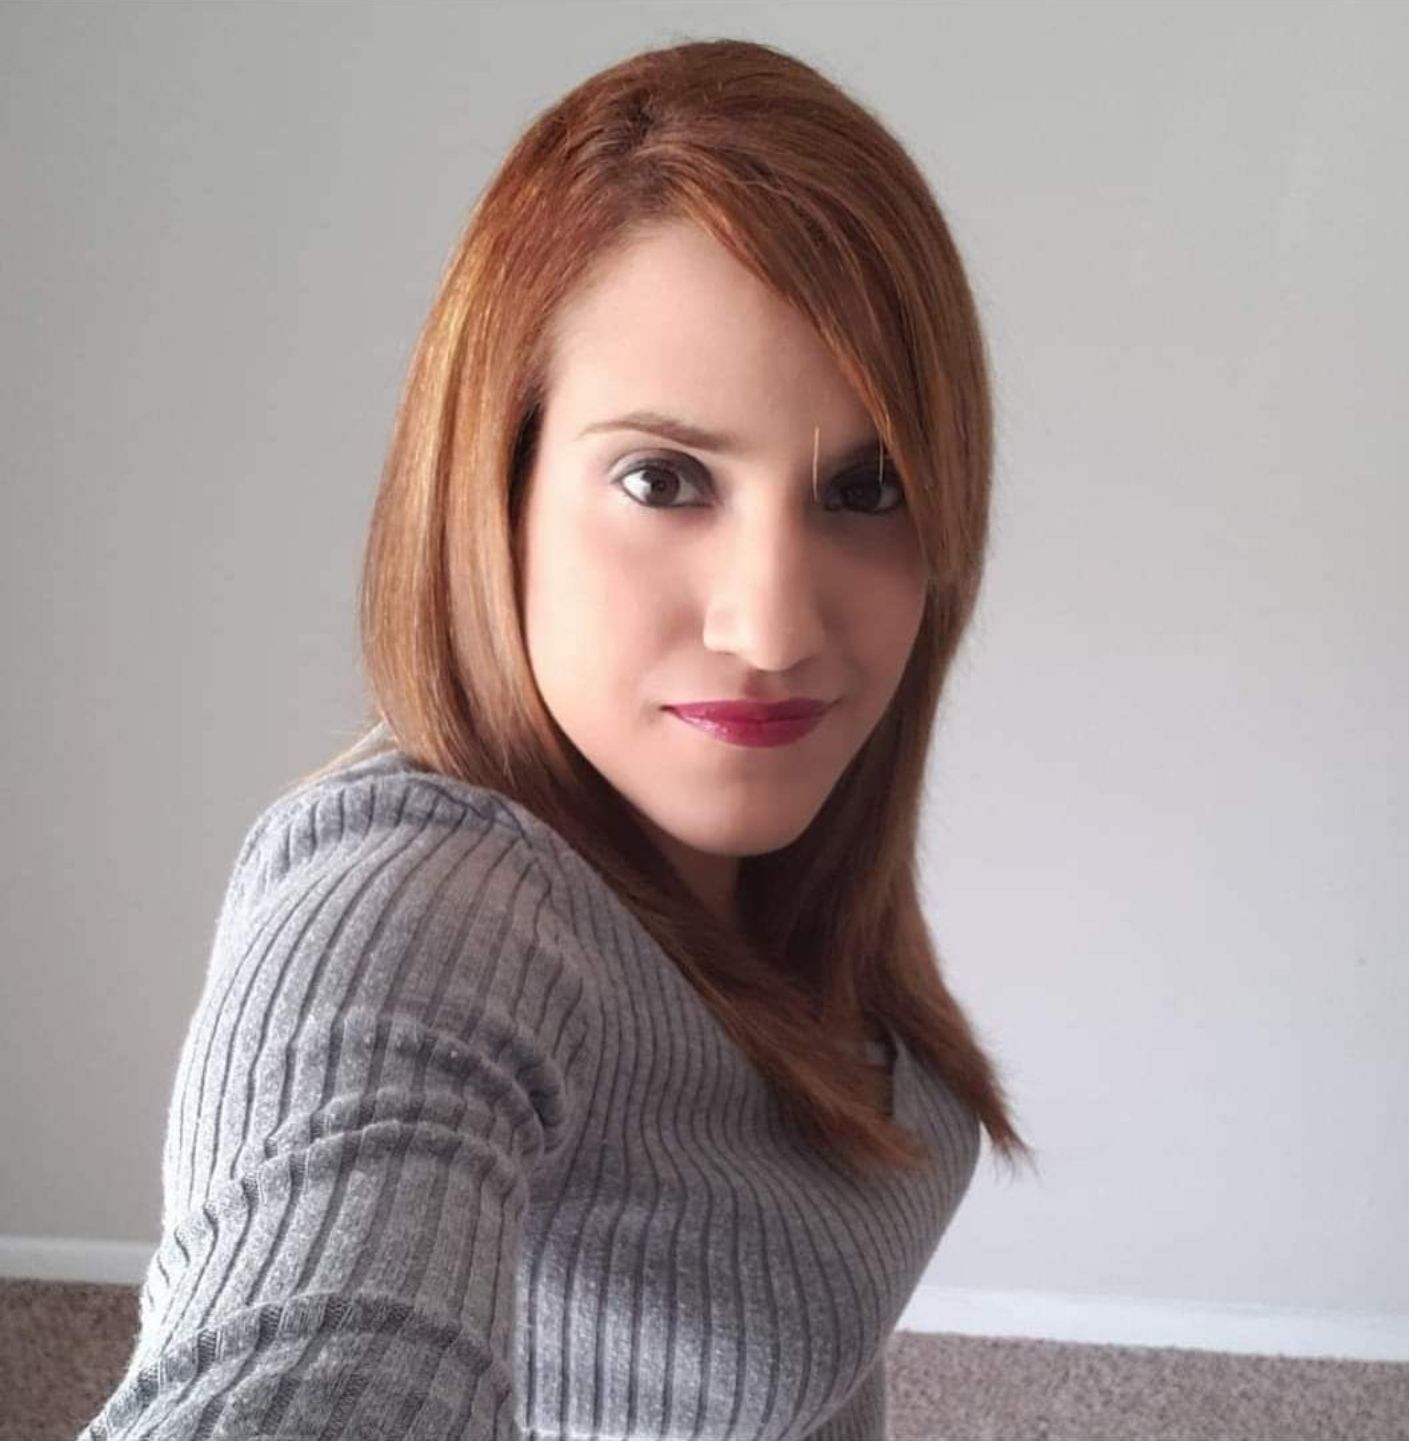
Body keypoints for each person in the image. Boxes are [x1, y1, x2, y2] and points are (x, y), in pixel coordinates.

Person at [78, 35, 1034, 1441]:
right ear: (497, 489)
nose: (774, 626)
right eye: (664, 478)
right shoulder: (414, 907)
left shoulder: (788, 851)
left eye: (865, 486)